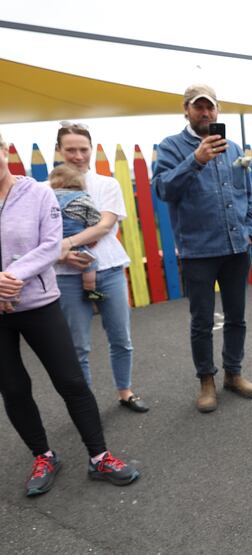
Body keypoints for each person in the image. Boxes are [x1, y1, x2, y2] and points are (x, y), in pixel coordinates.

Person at [0, 132, 139, 497]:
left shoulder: (38, 193)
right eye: (71, 148)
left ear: (4, 152)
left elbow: (51, 244)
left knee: (72, 381)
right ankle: (43, 455)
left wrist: (13, 277)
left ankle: (99, 456)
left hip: (38, 303)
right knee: (13, 388)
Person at [153, 84, 252, 413]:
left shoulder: (232, 147)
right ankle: (206, 381)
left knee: (236, 317)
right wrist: (195, 160)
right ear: (186, 109)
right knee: (201, 321)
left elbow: (246, 193)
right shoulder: (171, 147)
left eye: (210, 107)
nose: (205, 113)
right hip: (197, 250)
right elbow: (163, 188)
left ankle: (233, 373)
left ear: (217, 110)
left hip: (235, 247)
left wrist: (250, 229)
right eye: (198, 107)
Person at [54, 123, 149, 414]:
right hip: (66, 276)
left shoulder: (107, 184)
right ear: (59, 151)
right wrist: (62, 254)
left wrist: (64, 244)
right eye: (71, 149)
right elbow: (42, 232)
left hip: (108, 269)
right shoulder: (45, 188)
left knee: (121, 338)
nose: (78, 156)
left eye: (83, 149)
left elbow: (104, 225)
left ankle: (125, 391)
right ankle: (85, 403)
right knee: (78, 345)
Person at [48, 165, 105, 302]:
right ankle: (90, 289)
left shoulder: (48, 196)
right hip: (77, 237)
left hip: (56, 238)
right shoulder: (82, 197)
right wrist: (91, 227)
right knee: (90, 263)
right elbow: (94, 217)